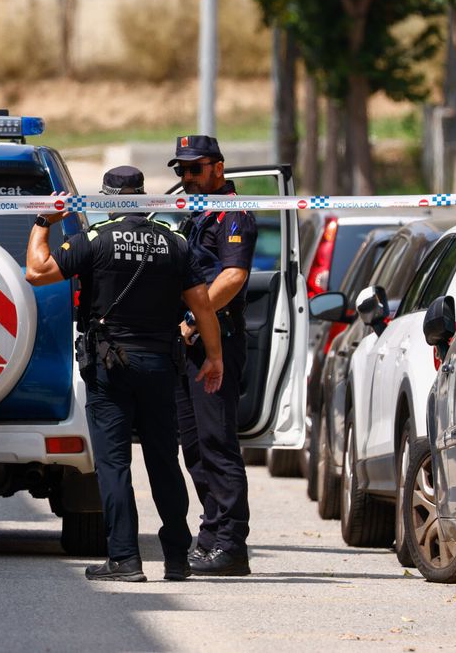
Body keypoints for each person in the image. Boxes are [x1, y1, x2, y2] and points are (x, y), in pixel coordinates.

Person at [25, 166, 223, 582]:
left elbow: (36, 272)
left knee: (114, 464)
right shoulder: (175, 242)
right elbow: (203, 306)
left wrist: (44, 222)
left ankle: (125, 560)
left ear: (108, 197)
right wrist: (214, 358)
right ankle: (176, 559)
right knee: (164, 463)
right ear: (143, 194)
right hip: (159, 365)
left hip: (110, 366)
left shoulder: (95, 240)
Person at [168, 134, 259, 577]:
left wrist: (190, 321)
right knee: (194, 446)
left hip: (213, 340)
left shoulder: (232, 213)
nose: (186, 178)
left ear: (218, 168)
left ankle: (231, 544)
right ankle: (211, 535)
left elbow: (234, 276)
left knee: (218, 444)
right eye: (181, 170)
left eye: (194, 169)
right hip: (188, 345)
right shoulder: (193, 212)